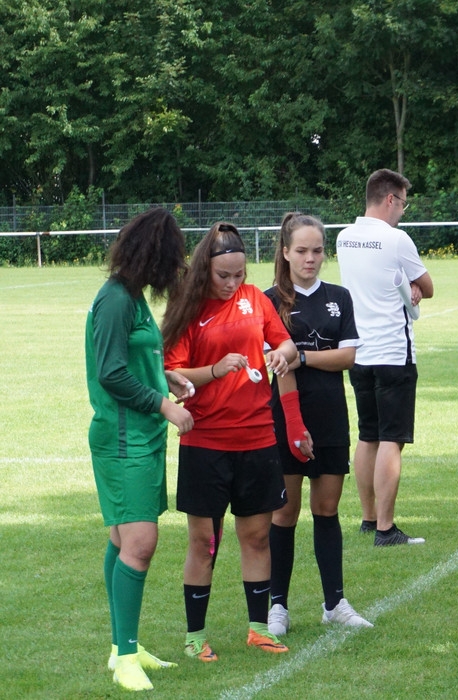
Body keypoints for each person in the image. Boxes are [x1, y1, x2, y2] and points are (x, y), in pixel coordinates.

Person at [162, 222, 305, 661]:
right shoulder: (188, 308)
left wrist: (281, 355)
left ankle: (258, 629)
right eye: (223, 275)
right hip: (205, 441)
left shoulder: (256, 300)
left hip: (257, 437)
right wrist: (216, 369)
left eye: (239, 274)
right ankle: (195, 637)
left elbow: (288, 346)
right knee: (204, 540)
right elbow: (171, 374)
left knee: (257, 535)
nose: (232, 283)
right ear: (205, 268)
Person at [86, 208, 194, 691]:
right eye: (172, 258)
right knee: (140, 543)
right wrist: (163, 404)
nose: (176, 269)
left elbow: (132, 358)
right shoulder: (115, 300)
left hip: (140, 438)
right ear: (154, 256)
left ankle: (121, 648)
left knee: (121, 539)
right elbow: (110, 372)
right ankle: (126, 658)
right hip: (122, 438)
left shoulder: (131, 297)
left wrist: (164, 376)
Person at [264, 213, 373, 638]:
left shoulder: (338, 298)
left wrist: (303, 356)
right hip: (284, 417)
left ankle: (335, 603)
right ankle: (277, 606)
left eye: (317, 251)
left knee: (326, 510)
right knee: (284, 513)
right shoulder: (269, 300)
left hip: (330, 416)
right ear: (286, 252)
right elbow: (275, 363)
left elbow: (347, 356)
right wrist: (293, 363)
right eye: (302, 251)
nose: (310, 259)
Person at [336, 168, 434, 545]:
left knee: (368, 435)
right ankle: (386, 528)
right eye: (403, 204)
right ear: (390, 199)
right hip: (393, 350)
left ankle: (368, 517)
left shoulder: (345, 237)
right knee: (392, 439)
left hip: (358, 350)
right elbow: (427, 287)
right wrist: (410, 284)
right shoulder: (396, 239)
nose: (402, 212)